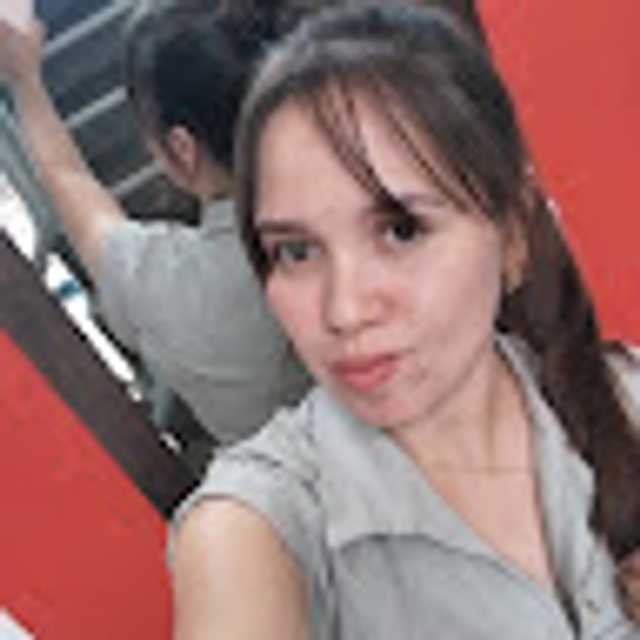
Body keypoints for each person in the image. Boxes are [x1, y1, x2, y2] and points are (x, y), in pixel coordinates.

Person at [171, 4, 640, 638]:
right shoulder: (257, 525)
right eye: (296, 251)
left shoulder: (624, 395)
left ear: (513, 233)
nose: (344, 311)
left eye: (401, 230)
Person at [0, 1, 312, 446]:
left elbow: (68, 181)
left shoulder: (174, 288)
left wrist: (25, 80)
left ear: (182, 151)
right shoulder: (398, 183)